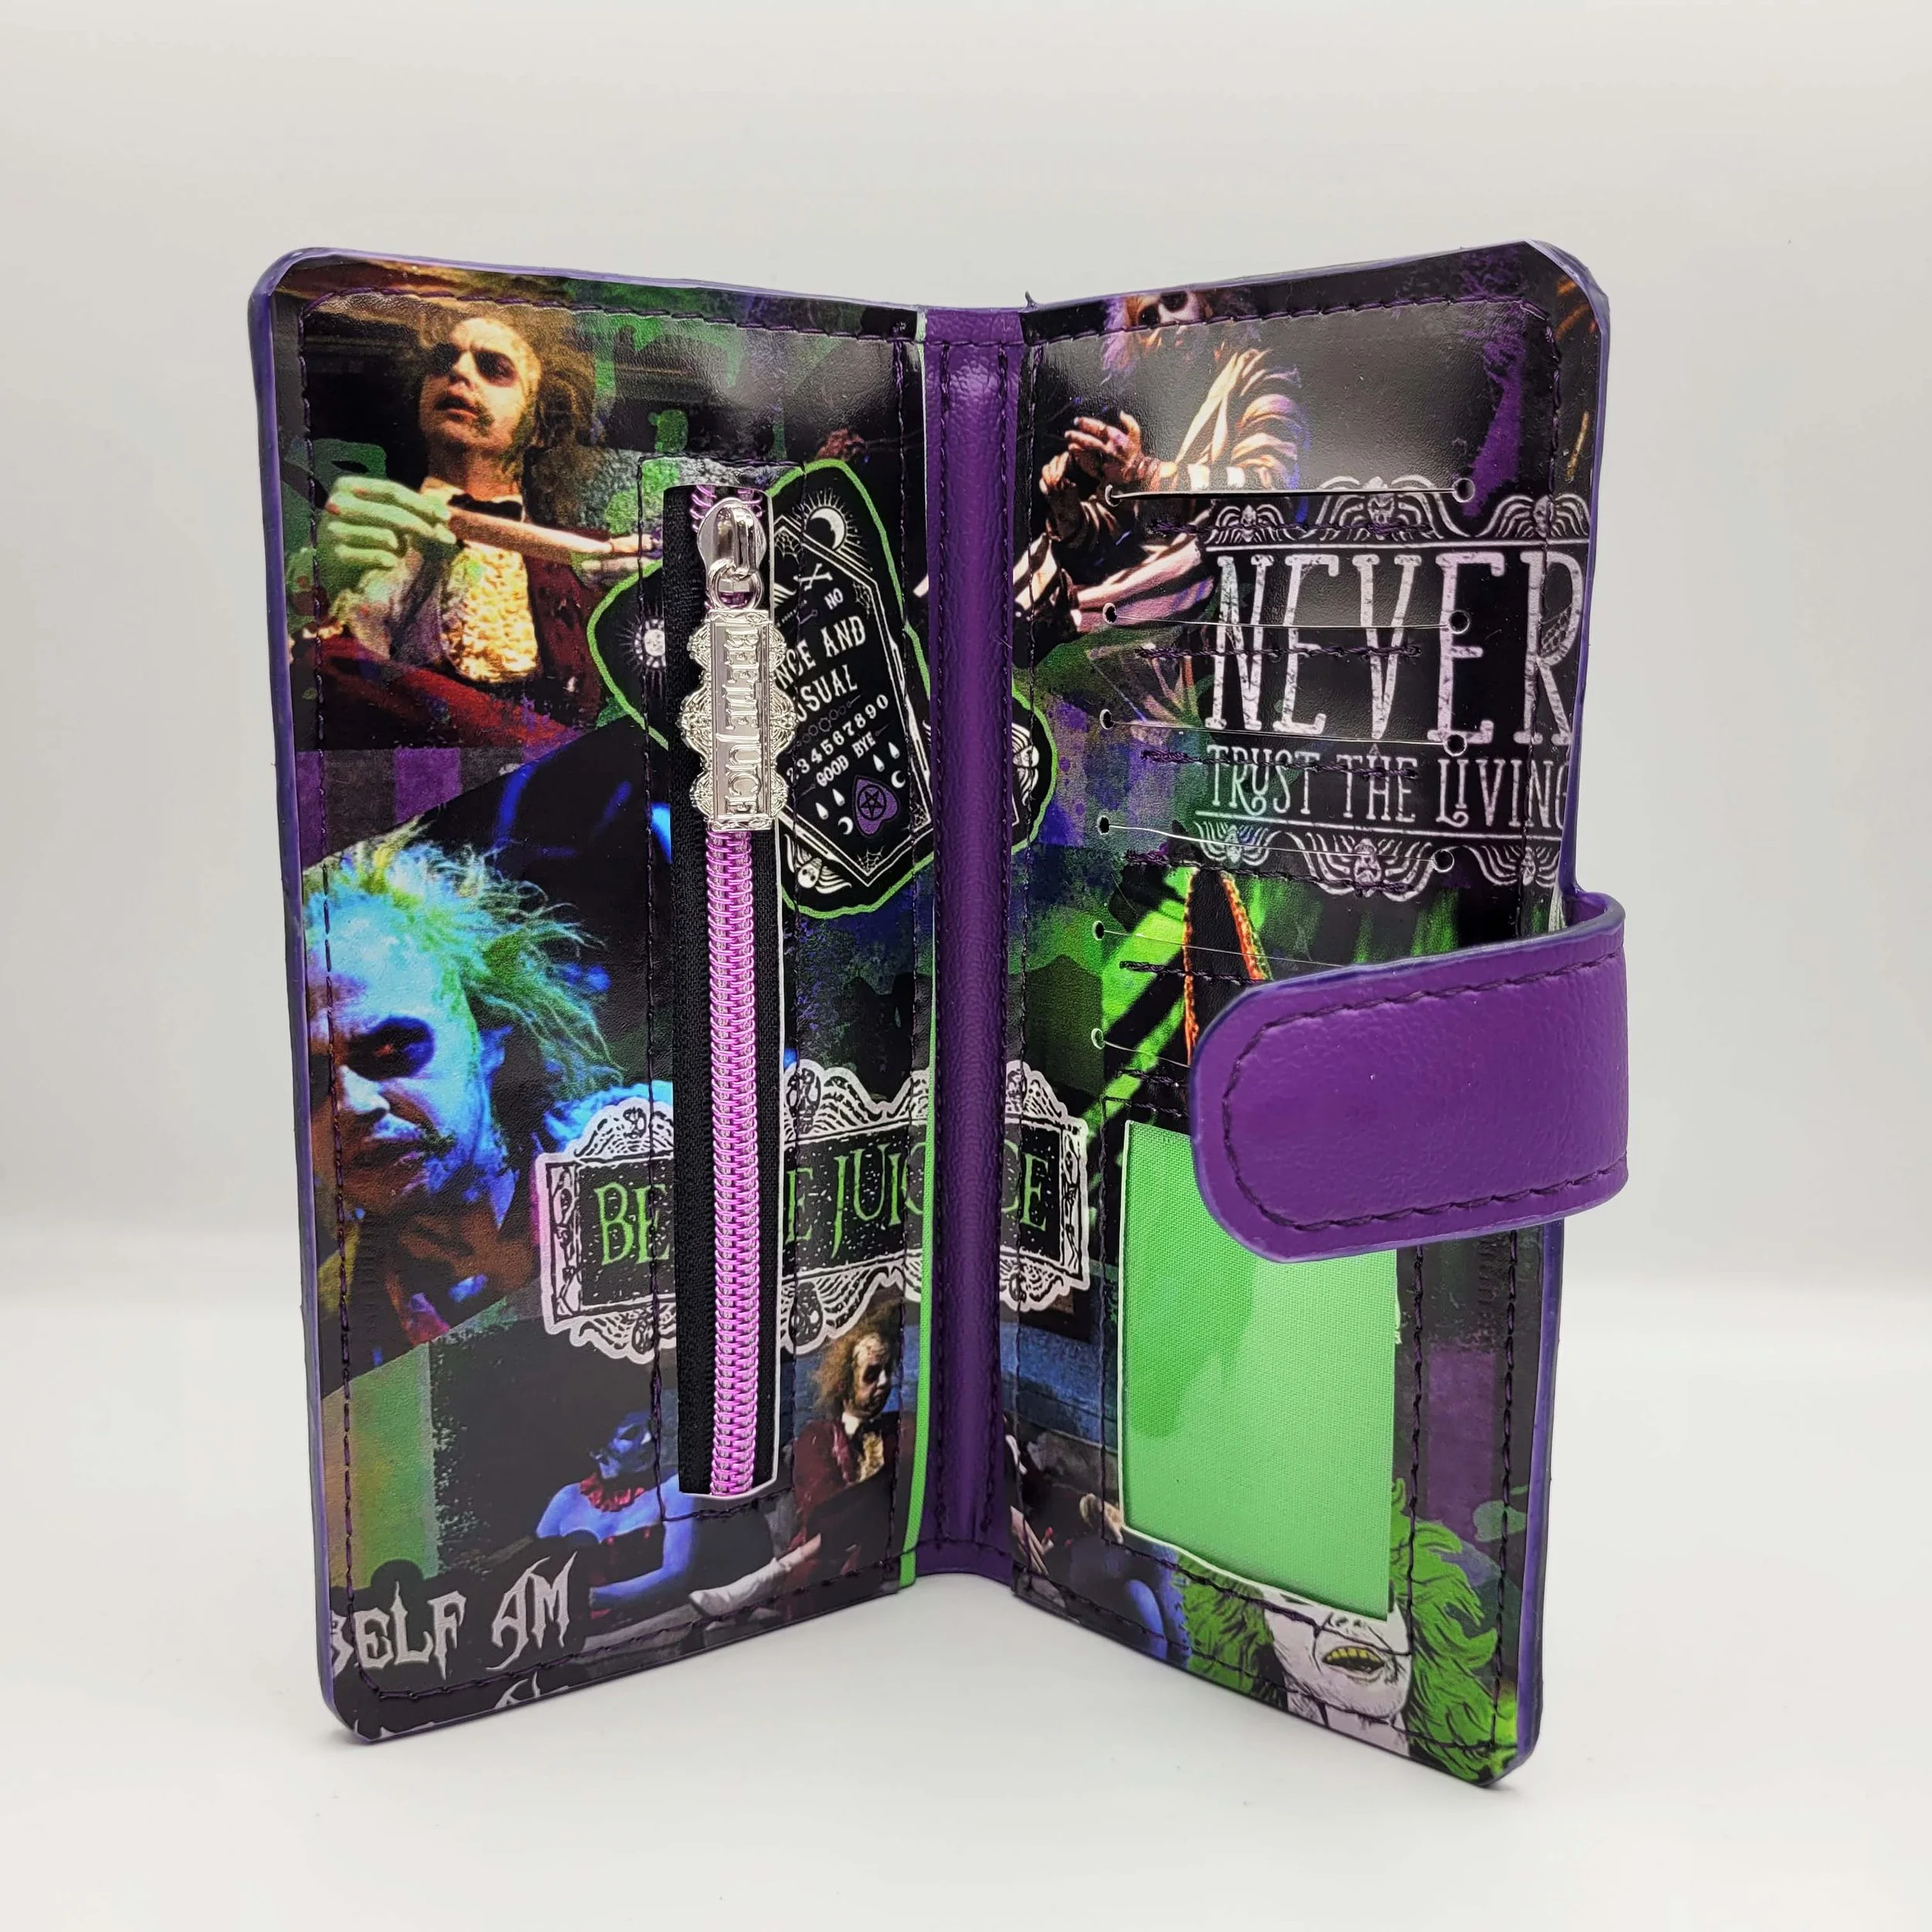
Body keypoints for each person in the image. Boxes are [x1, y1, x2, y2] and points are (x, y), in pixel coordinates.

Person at [304, 826, 617, 1381]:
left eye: (390, 1049)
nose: (352, 1104)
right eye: (309, 1085)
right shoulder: (328, 1330)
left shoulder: (665, 1156)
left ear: (487, 1036)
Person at [301, 304, 640, 749]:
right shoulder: (349, 533)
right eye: (443, 361)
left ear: (541, 424)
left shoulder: (599, 561)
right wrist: (317, 593)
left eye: (494, 368)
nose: (458, 372)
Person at [1022, 287, 1308, 632]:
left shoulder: (1263, 373)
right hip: (1160, 587)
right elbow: (1121, 521)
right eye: (1148, 320)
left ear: (1206, 304)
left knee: (1217, 534)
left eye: (1174, 301)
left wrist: (1146, 472)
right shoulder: (1157, 417)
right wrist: (1072, 516)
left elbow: (1268, 484)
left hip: (1235, 571)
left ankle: (1072, 612)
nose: (1166, 323)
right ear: (1138, 347)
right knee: (1035, 560)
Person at [537, 1409, 699, 1625]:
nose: (649, 1438)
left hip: (658, 1623)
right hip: (580, 1634)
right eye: (631, 1434)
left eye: (650, 1427)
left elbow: (677, 1573)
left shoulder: (674, 1487)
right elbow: (535, 1573)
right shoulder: (566, 1499)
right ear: (598, 1451)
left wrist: (593, 1599)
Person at [787, 1304, 902, 1592]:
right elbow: (823, 1511)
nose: (885, 1382)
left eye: (888, 1371)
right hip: (826, 1566)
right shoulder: (817, 1438)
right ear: (843, 1383)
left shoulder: (897, 1429)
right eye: (872, 1374)